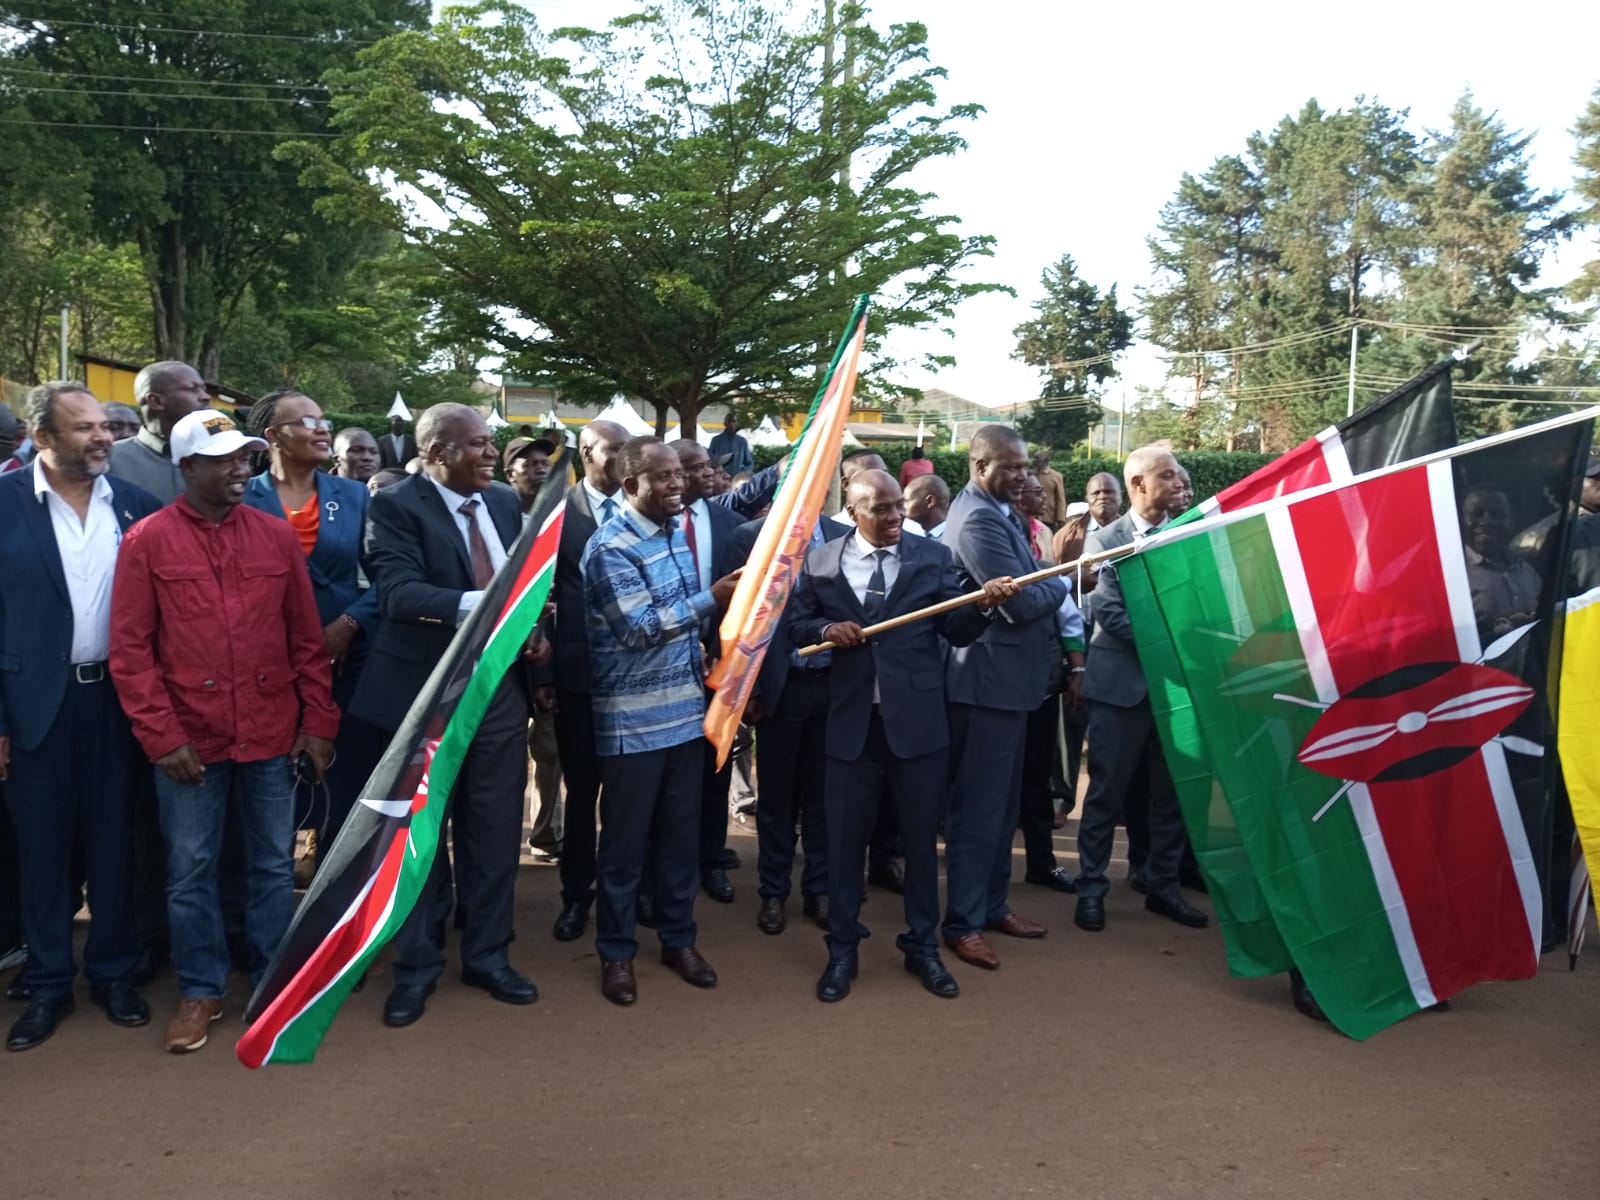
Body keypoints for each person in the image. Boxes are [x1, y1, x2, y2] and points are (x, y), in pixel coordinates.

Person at [110, 408, 338, 1053]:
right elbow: (130, 651)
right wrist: (162, 737)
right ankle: (201, 988)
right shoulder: (147, 541)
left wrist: (318, 721)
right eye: (224, 461)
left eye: (244, 458)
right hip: (190, 740)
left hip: (269, 730)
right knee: (190, 870)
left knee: (271, 864)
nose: (241, 469)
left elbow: (305, 639)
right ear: (187, 467)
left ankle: (271, 980)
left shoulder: (274, 538)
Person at [789, 470, 1019, 1002]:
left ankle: (922, 947)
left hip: (918, 728)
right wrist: (824, 630)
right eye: (882, 509)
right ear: (853, 512)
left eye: (899, 506)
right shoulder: (821, 563)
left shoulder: (932, 558)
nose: (895, 517)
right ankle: (842, 950)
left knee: (918, 844)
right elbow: (798, 625)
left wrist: (984, 605)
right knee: (845, 846)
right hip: (850, 729)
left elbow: (955, 630)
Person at [349, 403, 536, 1028]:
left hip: (497, 693)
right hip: (423, 697)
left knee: (495, 831)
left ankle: (487, 957)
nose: (492, 454)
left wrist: (529, 626)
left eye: (491, 443)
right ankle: (416, 968)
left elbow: (523, 579)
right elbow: (398, 595)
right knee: (419, 839)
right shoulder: (394, 507)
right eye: (478, 444)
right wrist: (492, 605)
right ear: (435, 454)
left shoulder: (504, 502)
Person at [0, 382, 161, 1052]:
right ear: (42, 438)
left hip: (120, 704)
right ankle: (46, 984)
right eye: (85, 428)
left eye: (104, 425)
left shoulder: (138, 506)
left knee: (115, 844)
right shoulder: (4, 505)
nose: (103, 437)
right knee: (40, 851)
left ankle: (114, 974)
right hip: (32, 709)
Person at [582, 436, 742, 1006]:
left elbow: (675, 631)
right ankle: (616, 953)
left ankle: (679, 941)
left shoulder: (673, 534)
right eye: (665, 476)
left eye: (680, 473)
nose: (679, 484)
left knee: (679, 840)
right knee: (625, 848)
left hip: (684, 717)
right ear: (631, 485)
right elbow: (638, 629)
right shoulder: (609, 546)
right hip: (632, 726)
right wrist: (711, 599)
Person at [940, 425, 1070, 970]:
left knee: (1001, 808)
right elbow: (1021, 603)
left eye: (1024, 466)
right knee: (979, 811)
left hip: (1011, 686)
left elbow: (1031, 581)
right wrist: (1065, 578)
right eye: (1010, 466)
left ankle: (992, 905)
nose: (1022, 476)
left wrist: (1045, 579)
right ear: (979, 466)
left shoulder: (1000, 512)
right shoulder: (976, 519)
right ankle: (963, 922)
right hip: (985, 687)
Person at [242, 391, 385, 859]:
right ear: (273, 436)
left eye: (323, 420)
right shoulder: (243, 495)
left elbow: (387, 576)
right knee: (270, 791)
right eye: (307, 421)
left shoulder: (354, 495)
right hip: (267, 667)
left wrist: (348, 623)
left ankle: (334, 883)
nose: (322, 429)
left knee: (343, 784)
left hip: (345, 661)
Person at [1074, 445, 1210, 935]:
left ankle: (1163, 886)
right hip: (1120, 689)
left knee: (1171, 793)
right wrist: (1173, 647)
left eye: (1179, 475)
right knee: (1106, 794)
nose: (1179, 482)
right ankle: (1091, 888)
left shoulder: (1187, 535)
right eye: (1168, 475)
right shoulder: (1104, 540)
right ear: (1138, 484)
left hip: (1175, 693)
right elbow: (1110, 613)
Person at [729, 512, 851, 936]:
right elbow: (739, 617)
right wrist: (750, 689)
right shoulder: (751, 537)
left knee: (823, 795)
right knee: (777, 799)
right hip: (780, 688)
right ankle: (773, 892)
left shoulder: (843, 535)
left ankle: (819, 890)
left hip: (833, 684)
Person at [542, 419, 630, 944]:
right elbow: (539, 601)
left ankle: (626, 893)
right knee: (581, 793)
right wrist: (543, 674)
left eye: (627, 449)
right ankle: (576, 895)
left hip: (637, 679)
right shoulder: (557, 514)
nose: (623, 457)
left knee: (629, 796)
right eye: (614, 449)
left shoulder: (643, 510)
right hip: (577, 677)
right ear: (587, 454)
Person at [670, 438, 753, 902]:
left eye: (708, 466)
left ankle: (710, 858)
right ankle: (666, 864)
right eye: (695, 467)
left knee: (715, 767)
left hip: (719, 667)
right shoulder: (652, 524)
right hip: (663, 668)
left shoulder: (731, 526)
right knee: (667, 776)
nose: (708, 473)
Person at [106, 361, 211, 505]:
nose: (205, 397)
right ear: (155, 401)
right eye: (192, 389)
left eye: (203, 389)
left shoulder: (219, 452)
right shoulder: (109, 459)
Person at [504, 435, 556, 518]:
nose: (542, 470)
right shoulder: (498, 517)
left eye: (546, 464)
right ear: (510, 474)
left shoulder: (559, 515)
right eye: (530, 464)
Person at [707, 409, 753, 478]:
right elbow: (710, 461)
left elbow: (749, 463)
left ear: (736, 423)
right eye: (729, 421)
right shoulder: (716, 440)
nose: (732, 424)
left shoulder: (742, 442)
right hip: (720, 479)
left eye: (734, 421)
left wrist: (742, 475)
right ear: (725, 424)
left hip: (736, 479)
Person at [905, 473, 950, 539]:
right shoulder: (916, 537)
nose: (901, 506)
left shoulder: (953, 539)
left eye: (906, 501)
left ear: (930, 501)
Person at [1032, 449, 1068, 527]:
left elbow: (1060, 499)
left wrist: (1061, 518)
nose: (1034, 461)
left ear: (1045, 461)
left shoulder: (1056, 476)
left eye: (1037, 458)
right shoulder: (1031, 475)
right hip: (1032, 517)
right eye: (1034, 458)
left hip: (1049, 517)